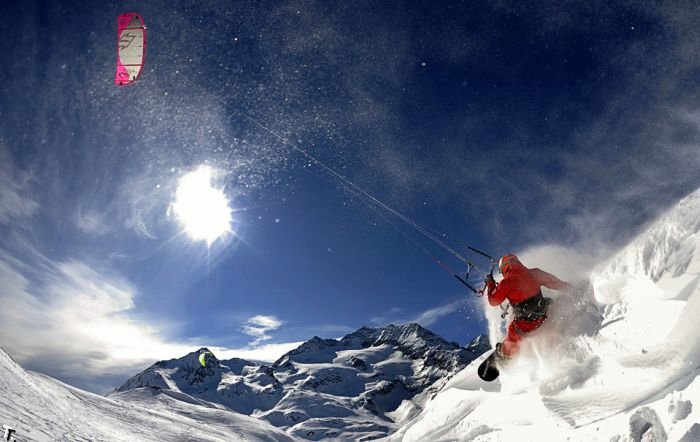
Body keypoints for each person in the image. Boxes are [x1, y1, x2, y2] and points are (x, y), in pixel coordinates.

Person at [484, 254, 570, 359]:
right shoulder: (535, 273)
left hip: (528, 322)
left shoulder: (506, 282)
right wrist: (569, 288)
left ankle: (506, 354)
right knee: (548, 301)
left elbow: (493, 301)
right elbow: (554, 283)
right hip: (544, 313)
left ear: (504, 268)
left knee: (514, 332)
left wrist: (490, 284)